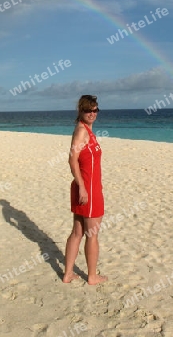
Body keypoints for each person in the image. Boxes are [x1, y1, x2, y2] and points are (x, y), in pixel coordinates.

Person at [63, 94, 108, 285]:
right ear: (81, 111)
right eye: (88, 110)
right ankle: (91, 276)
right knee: (92, 234)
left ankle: (68, 274)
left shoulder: (88, 131)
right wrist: (82, 187)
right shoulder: (81, 131)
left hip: (89, 187)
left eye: (95, 110)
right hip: (86, 189)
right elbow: (72, 160)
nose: (92, 113)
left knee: (78, 232)